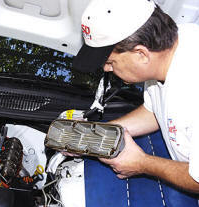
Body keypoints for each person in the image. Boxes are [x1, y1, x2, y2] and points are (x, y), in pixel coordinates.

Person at [73, 0, 199, 194]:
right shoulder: (173, 48)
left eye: (110, 62)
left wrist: (141, 163)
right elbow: (154, 110)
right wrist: (95, 134)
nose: (106, 68)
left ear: (141, 54)